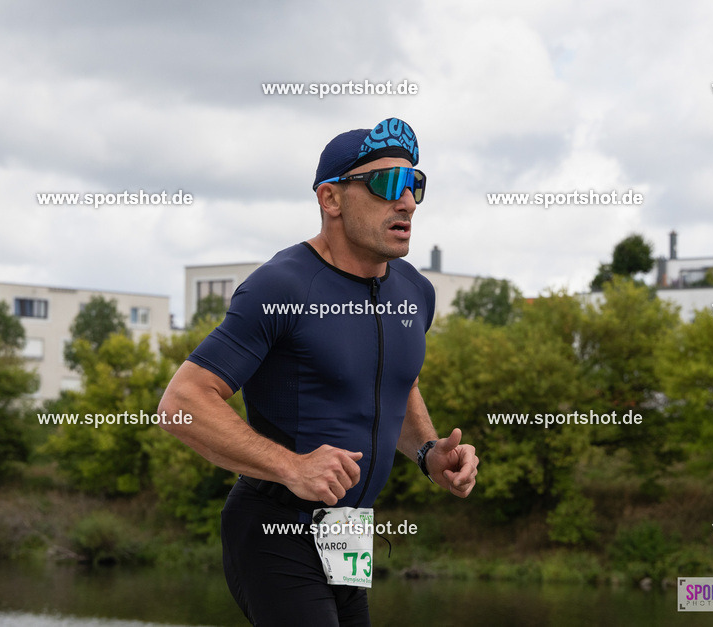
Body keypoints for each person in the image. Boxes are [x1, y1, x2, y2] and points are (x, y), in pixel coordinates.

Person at [158, 117, 479, 626]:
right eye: (387, 183)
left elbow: (396, 382)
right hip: (274, 523)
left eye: (414, 183)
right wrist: (293, 466)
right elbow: (181, 404)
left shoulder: (416, 292)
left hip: (349, 530)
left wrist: (426, 451)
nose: (408, 202)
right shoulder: (281, 287)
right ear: (331, 198)